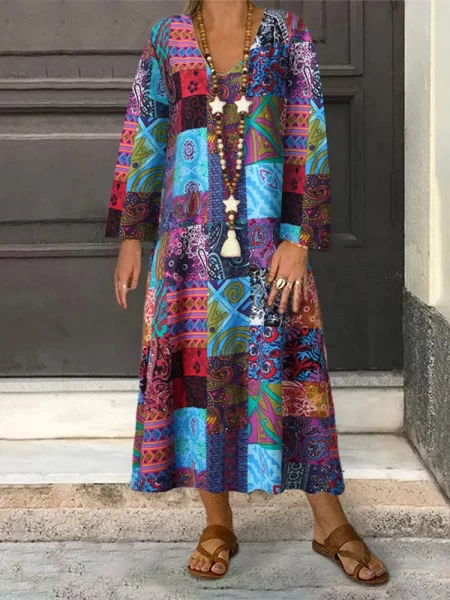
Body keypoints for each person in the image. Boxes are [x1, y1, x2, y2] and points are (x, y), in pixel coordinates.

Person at [105, 0, 388, 585]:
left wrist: (299, 238)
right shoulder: (168, 38)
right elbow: (145, 132)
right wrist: (132, 237)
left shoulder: (286, 35)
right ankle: (217, 522)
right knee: (197, 379)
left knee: (293, 377)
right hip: (186, 249)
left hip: (268, 245)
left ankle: (327, 520)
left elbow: (306, 132)